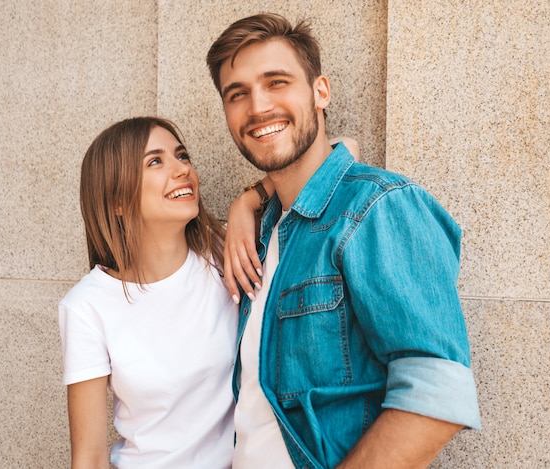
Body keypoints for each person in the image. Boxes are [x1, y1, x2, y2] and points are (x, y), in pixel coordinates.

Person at [206, 13, 481, 469]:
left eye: (277, 82)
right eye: (238, 94)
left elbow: (438, 393)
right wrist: (249, 200)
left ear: (320, 92)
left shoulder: (378, 206)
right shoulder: (266, 230)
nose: (257, 107)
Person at [58, 116, 240, 469]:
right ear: (117, 202)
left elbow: (338, 155)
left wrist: (249, 200)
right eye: (155, 161)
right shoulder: (87, 306)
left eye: (182, 155)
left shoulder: (223, 252)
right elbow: (90, 458)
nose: (181, 169)